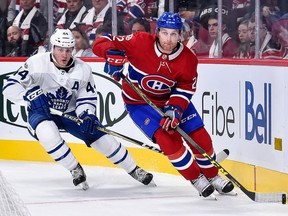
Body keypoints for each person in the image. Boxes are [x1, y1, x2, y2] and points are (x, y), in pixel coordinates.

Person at [93, 12, 234, 198]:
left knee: (201, 139)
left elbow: (185, 88)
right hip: (140, 103)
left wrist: (174, 110)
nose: (169, 39)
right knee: (169, 141)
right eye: (165, 33)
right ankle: (196, 178)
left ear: (181, 35)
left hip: (172, 101)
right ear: (157, 32)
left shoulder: (188, 58)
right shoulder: (139, 41)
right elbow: (101, 42)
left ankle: (213, 176)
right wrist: (111, 55)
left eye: (174, 34)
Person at [2, 28, 154, 190]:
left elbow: (86, 97)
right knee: (47, 133)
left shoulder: (83, 69)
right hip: (42, 111)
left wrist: (87, 114)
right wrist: (28, 96)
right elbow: (9, 86)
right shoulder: (35, 62)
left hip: (71, 112)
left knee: (101, 137)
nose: (64, 55)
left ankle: (134, 169)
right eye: (60, 49)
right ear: (52, 47)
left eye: (68, 50)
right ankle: (75, 169)